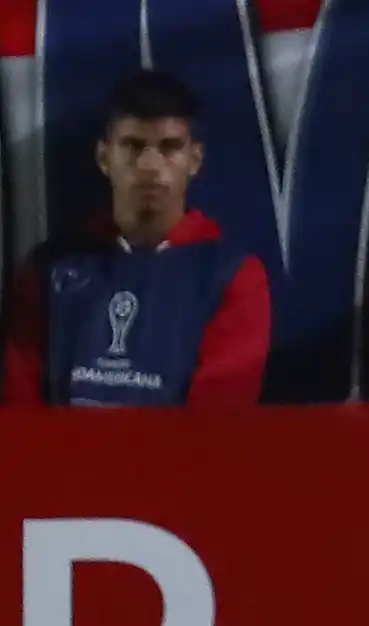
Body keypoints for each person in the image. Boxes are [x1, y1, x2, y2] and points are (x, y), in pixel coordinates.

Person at [3, 70, 270, 406]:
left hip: (173, 460)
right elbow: (21, 410)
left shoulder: (233, 275)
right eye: (133, 146)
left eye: (170, 147)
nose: (150, 165)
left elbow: (216, 425)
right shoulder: (48, 268)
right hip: (64, 458)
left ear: (195, 160)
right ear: (104, 157)